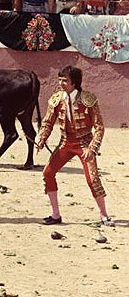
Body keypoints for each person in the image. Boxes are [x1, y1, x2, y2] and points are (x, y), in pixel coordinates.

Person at [37, 66, 114, 227]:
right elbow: (47, 123)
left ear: (74, 83)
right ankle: (56, 215)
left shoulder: (88, 99)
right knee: (48, 173)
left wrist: (92, 149)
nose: (61, 83)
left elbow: (99, 127)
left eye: (65, 80)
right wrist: (41, 138)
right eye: (60, 79)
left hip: (85, 143)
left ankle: (104, 215)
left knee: (92, 179)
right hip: (66, 142)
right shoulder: (56, 99)